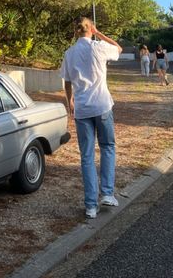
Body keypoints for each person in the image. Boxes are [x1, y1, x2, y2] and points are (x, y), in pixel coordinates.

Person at [61, 16, 122, 219]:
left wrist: (69, 101)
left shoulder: (69, 53)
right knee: (107, 147)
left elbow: (67, 82)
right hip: (102, 105)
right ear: (90, 29)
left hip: (82, 110)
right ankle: (106, 193)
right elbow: (118, 48)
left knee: (86, 156)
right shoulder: (99, 47)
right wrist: (99, 33)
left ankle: (90, 206)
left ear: (76, 31)